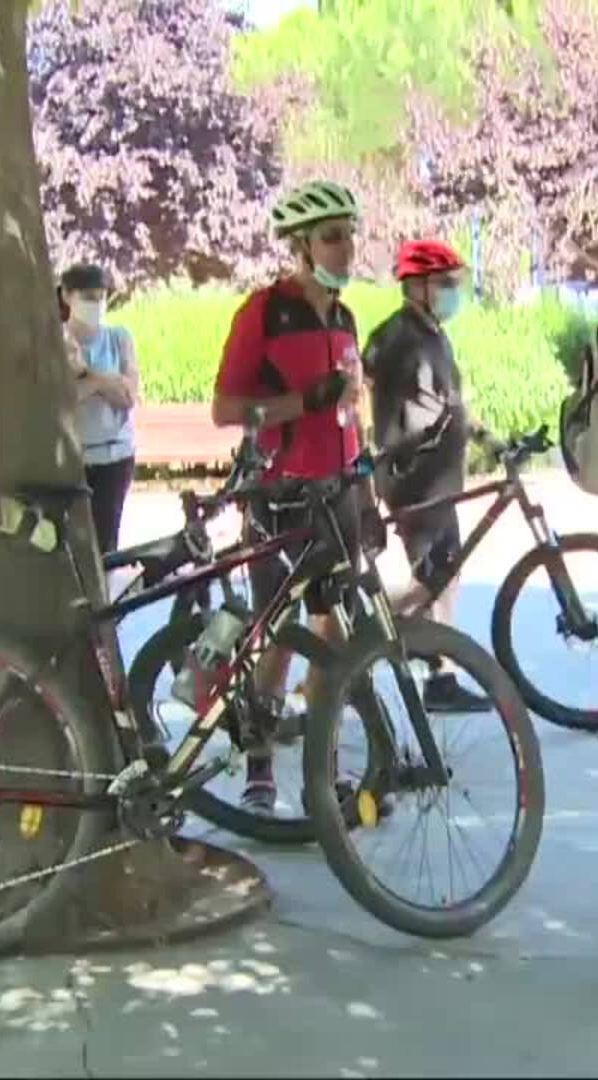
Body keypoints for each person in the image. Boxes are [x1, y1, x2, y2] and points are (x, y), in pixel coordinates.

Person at [211, 180, 368, 815]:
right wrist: (303, 404)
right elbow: (225, 408)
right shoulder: (265, 311)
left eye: (350, 234)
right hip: (282, 497)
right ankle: (259, 763)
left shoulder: (345, 315)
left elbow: (354, 404)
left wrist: (367, 475)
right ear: (300, 247)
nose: (347, 248)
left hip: (341, 495)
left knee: (332, 638)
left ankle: (321, 773)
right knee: (276, 637)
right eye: (332, 237)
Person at [359, 238, 489, 712]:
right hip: (414, 476)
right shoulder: (397, 336)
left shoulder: (431, 333)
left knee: (444, 573)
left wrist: (487, 438)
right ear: (416, 287)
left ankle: (439, 669)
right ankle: (368, 634)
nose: (453, 291)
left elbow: (447, 402)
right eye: (445, 284)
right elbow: (362, 382)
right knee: (434, 576)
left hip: (435, 477)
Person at [59, 262, 140, 558]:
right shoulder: (57, 341)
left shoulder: (119, 339)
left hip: (115, 458)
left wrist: (89, 375)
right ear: (68, 296)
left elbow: (128, 395)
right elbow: (65, 398)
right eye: (88, 297)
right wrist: (107, 382)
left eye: (101, 297)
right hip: (73, 460)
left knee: (105, 548)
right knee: (71, 550)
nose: (96, 304)